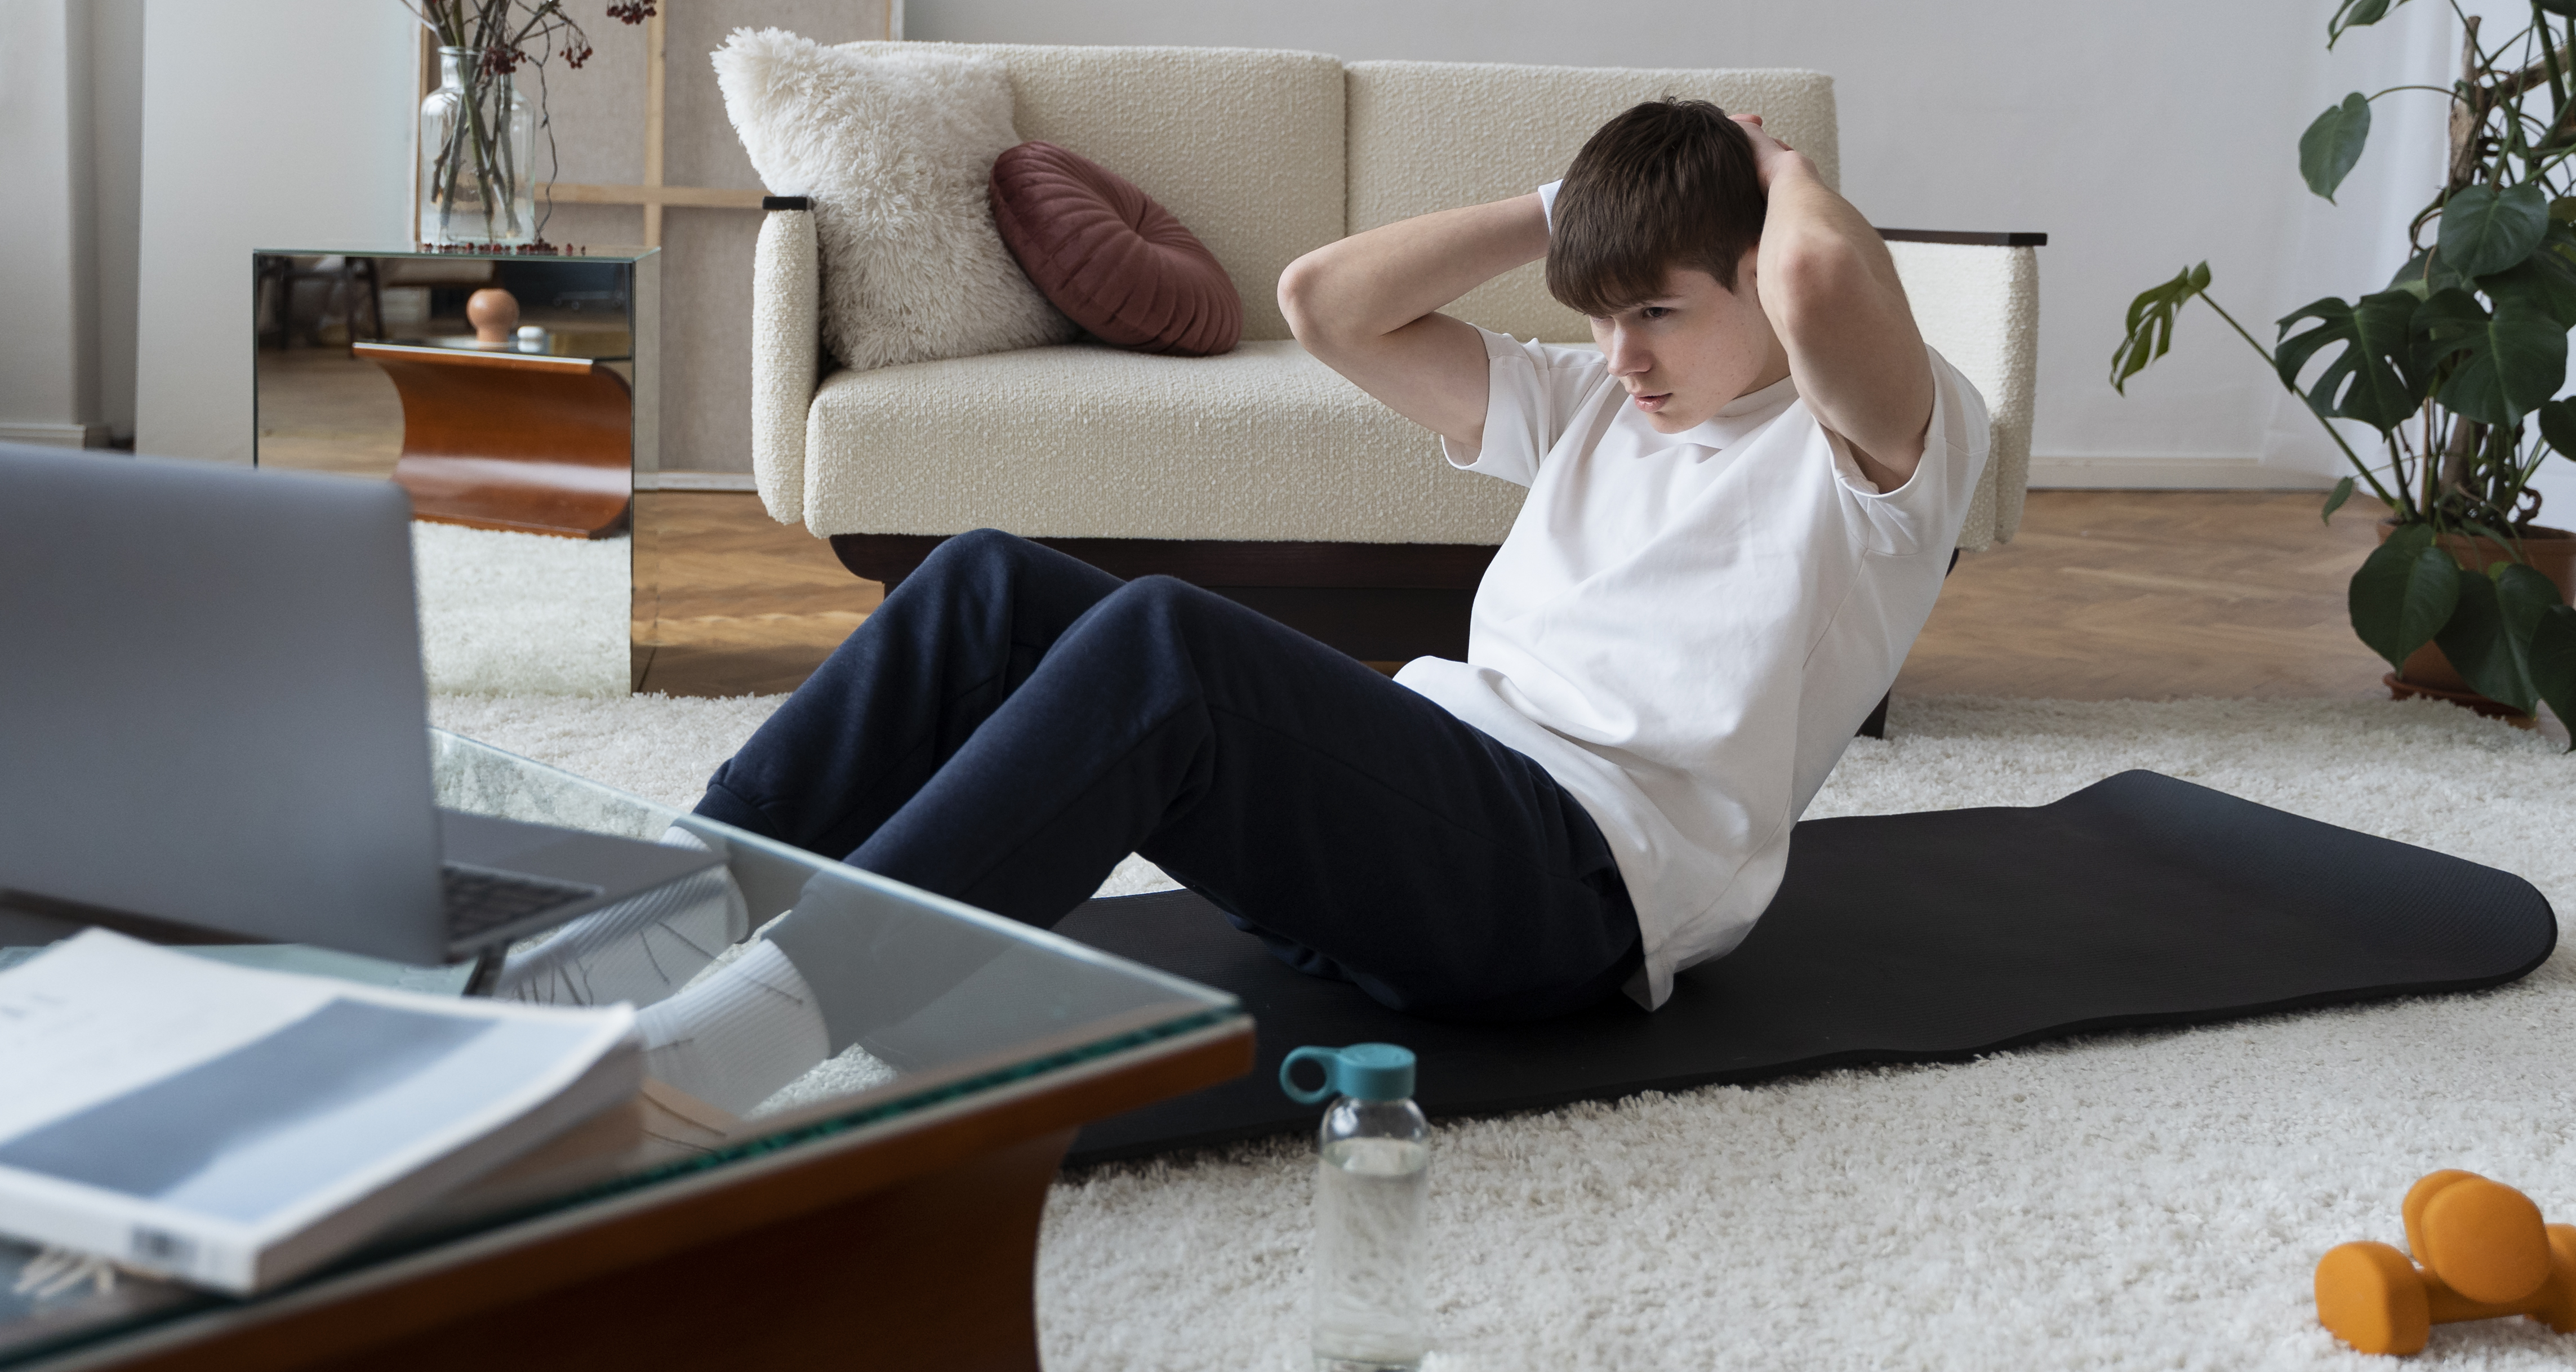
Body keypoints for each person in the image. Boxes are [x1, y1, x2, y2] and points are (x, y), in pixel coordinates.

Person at [514, 98, 1989, 1116]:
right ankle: (663, 912)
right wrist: (1573, 209)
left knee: (1172, 646)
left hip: (1574, 887)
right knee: (982, 583)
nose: (1622, 356)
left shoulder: (1878, 456)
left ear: (1756, 275)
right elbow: (1320, 302)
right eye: (1599, 315)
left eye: (1657, 308)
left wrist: (1774, 160)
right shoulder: (1592, 405)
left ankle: (727, 1044)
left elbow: (1809, 269)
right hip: (1441, 811)